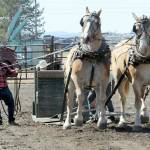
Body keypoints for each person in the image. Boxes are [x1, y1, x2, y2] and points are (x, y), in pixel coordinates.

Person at [0, 61, 19, 125]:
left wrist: (16, 70)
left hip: (5, 88)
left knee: (11, 103)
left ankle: (11, 120)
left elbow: (12, 73)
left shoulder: (4, 65)